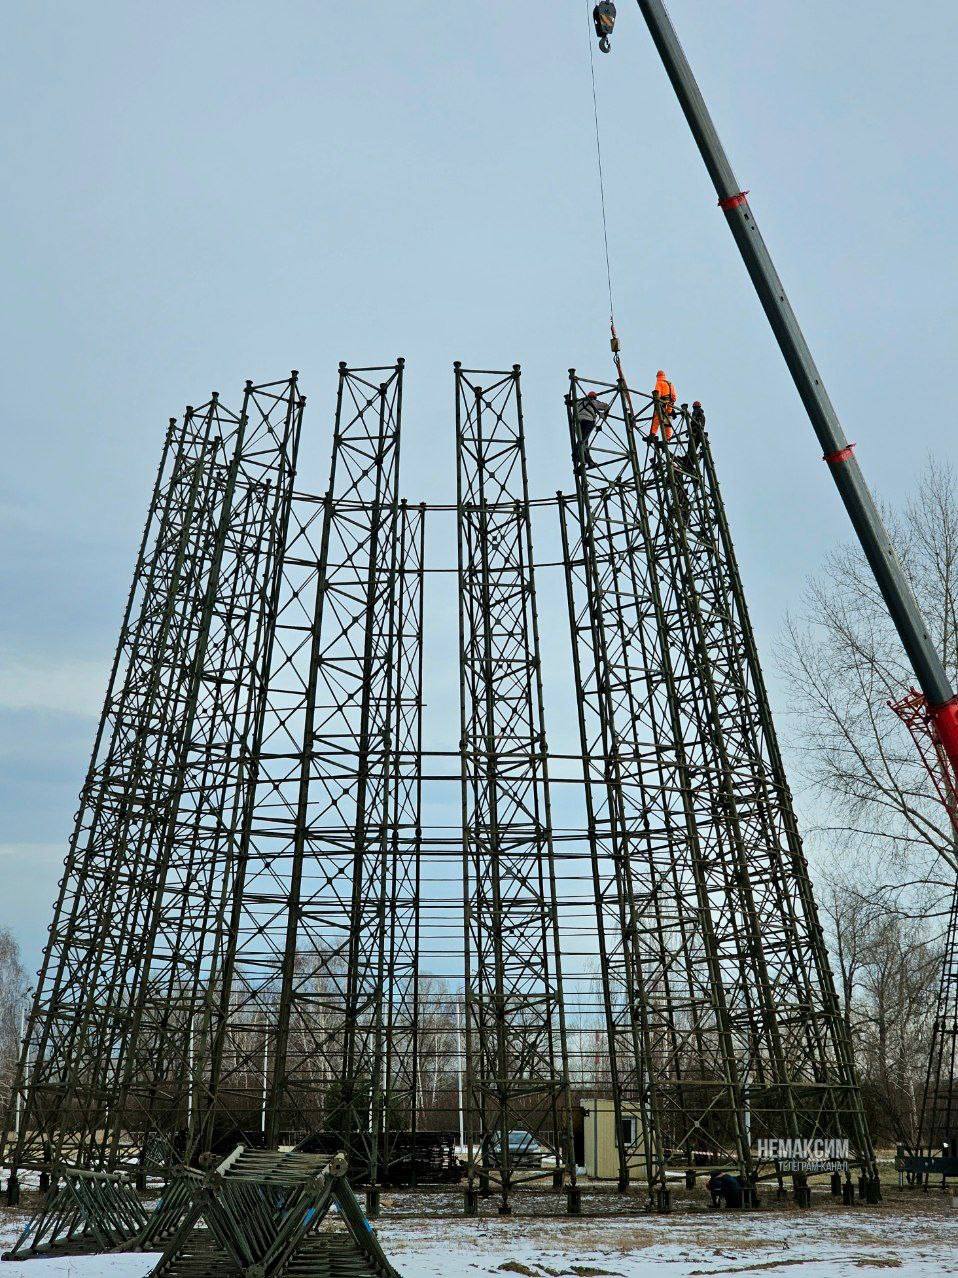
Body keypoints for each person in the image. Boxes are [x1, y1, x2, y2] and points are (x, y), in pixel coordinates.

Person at [573, 390, 609, 468]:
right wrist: (604, 415)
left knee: (582, 441)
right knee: (583, 442)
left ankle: (583, 460)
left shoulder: (579, 402)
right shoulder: (594, 402)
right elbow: (606, 406)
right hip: (588, 421)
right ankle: (584, 460)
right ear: (594, 397)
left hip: (578, 422)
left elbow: (573, 407)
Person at [650, 370, 677, 442]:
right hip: (670, 404)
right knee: (667, 422)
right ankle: (667, 439)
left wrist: (657, 402)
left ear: (657, 376)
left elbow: (657, 394)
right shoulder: (670, 383)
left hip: (662, 403)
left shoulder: (659, 382)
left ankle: (652, 435)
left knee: (657, 418)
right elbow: (674, 397)